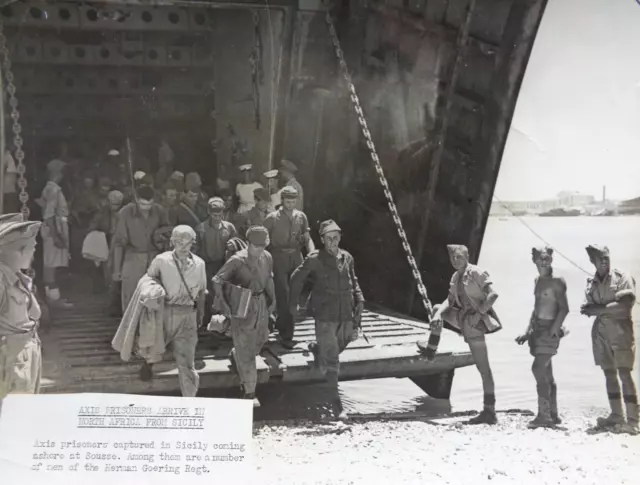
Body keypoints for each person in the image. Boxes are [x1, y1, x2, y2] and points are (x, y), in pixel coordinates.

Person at [417, 244, 501, 425]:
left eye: (460, 257)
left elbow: (493, 295)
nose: (456, 261)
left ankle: (489, 411)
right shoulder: (455, 276)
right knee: (438, 308)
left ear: (467, 257)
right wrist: (438, 315)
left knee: (483, 368)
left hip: (475, 324)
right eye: (454, 258)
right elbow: (449, 300)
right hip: (462, 319)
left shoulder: (477, 273)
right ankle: (431, 352)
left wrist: (478, 314)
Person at [289, 220, 364, 418]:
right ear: (322, 240)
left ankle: (318, 349)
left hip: (345, 312)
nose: (333, 241)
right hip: (325, 314)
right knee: (333, 361)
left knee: (344, 342)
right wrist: (293, 303)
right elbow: (296, 278)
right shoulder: (315, 258)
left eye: (336, 237)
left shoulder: (347, 257)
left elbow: (353, 281)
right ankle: (337, 407)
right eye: (328, 238)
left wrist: (360, 300)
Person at [213, 226, 275, 406]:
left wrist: (273, 302)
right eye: (256, 246)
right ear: (248, 243)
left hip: (261, 301)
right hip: (242, 303)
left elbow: (269, 279)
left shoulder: (267, 257)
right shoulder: (236, 260)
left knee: (261, 339)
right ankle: (249, 392)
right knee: (246, 348)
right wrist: (224, 304)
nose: (260, 249)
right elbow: (217, 280)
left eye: (263, 246)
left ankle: (236, 354)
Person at [142, 226, 207, 396]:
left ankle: (189, 402)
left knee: (187, 363)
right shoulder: (161, 260)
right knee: (155, 345)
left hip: (188, 316)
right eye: (178, 242)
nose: (183, 246)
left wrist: (200, 313)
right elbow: (148, 279)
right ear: (172, 242)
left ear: (193, 243)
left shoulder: (200, 264)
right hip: (165, 312)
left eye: (187, 242)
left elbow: (202, 291)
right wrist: (153, 291)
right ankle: (149, 362)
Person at [580, 245, 637, 434]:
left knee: (624, 373)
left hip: (621, 332)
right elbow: (588, 308)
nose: (604, 260)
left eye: (606, 257)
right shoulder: (592, 282)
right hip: (601, 334)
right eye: (600, 258)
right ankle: (616, 415)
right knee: (609, 373)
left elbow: (625, 307)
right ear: (592, 261)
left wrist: (599, 309)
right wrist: (602, 308)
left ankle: (633, 420)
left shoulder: (622, 277)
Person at [515, 246, 569, 428]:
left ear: (552, 259)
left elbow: (564, 308)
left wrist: (555, 329)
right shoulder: (538, 280)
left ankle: (543, 416)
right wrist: (527, 331)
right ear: (534, 260)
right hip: (537, 330)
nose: (544, 262)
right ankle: (553, 414)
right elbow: (536, 309)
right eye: (540, 258)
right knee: (547, 373)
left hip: (550, 330)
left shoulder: (557, 281)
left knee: (538, 368)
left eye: (547, 258)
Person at [0, 215, 43, 413]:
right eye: (30, 247)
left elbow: (35, 314)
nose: (33, 251)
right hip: (9, 360)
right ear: (16, 251)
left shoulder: (17, 276)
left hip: (24, 356)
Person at [263, 186, 315, 348]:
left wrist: (312, 255)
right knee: (283, 293)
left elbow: (307, 238)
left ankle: (282, 324)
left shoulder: (301, 217)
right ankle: (287, 334)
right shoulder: (272, 218)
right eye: (287, 200)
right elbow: (263, 241)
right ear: (282, 201)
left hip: (296, 257)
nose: (291, 204)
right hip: (279, 257)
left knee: (294, 294)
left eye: (293, 201)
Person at [112, 184, 169, 312]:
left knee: (155, 297)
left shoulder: (160, 211)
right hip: (132, 258)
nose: (146, 208)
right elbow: (119, 243)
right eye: (143, 204)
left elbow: (167, 232)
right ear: (136, 200)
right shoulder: (125, 213)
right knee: (131, 298)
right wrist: (117, 270)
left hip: (155, 258)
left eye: (149, 205)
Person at [39, 159, 73, 309]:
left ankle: (52, 298)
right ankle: (53, 300)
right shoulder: (53, 190)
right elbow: (49, 215)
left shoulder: (51, 188)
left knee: (51, 263)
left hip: (55, 228)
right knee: (51, 264)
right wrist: (55, 236)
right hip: (54, 229)